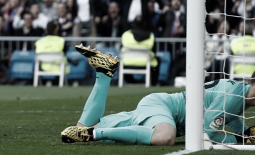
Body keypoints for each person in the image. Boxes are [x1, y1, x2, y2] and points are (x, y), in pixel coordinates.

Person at [61, 45, 255, 145]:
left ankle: (104, 73)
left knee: (82, 126)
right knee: (165, 137)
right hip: (164, 107)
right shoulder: (235, 96)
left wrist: (245, 133)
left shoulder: (239, 93)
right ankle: (94, 134)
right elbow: (208, 132)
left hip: (162, 108)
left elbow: (229, 114)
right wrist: (238, 140)